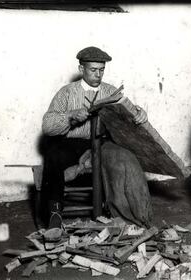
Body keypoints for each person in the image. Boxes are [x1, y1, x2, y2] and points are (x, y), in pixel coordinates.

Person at [41, 46, 152, 229]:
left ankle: (132, 216)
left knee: (125, 159)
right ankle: (55, 213)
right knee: (53, 154)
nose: (98, 75)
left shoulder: (111, 92)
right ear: (81, 69)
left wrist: (140, 113)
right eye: (93, 70)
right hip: (71, 142)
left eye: (101, 70)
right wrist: (70, 115)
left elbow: (129, 114)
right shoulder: (67, 92)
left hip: (102, 143)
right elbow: (47, 126)